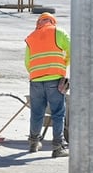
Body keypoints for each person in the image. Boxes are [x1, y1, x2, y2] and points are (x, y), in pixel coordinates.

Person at [25, 12, 71, 157]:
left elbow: (27, 62)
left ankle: (33, 142)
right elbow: (73, 51)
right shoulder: (59, 32)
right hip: (55, 80)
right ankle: (58, 147)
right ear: (52, 22)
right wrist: (64, 64)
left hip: (36, 80)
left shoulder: (31, 37)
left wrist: (37, 73)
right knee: (58, 113)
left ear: (39, 23)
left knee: (36, 113)